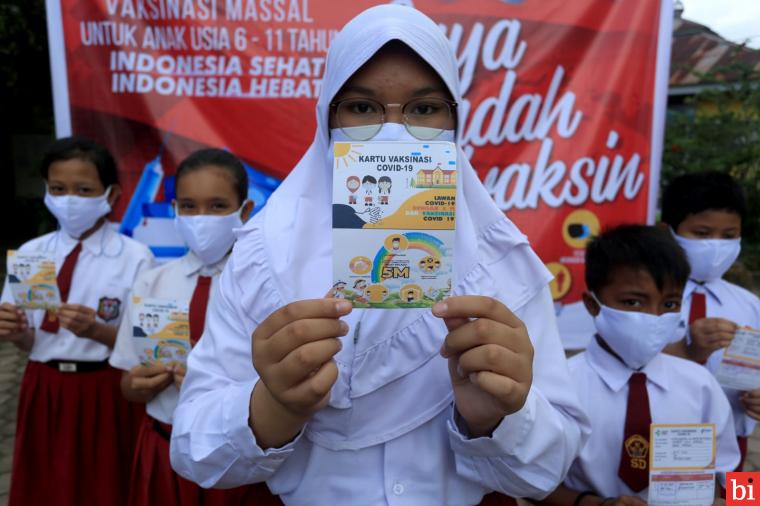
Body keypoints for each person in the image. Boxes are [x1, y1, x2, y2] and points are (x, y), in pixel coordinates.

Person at [170, 5, 588, 505]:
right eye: (363, 109)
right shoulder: (262, 258)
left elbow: (549, 466)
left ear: (456, 119)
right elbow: (194, 449)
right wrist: (271, 406)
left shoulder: (499, 265)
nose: (395, 133)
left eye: (424, 109)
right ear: (328, 117)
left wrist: (498, 417)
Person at [109, 149, 281, 505]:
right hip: (163, 444)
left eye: (218, 206)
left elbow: (279, 381)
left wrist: (213, 384)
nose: (201, 218)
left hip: (237, 456)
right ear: (174, 210)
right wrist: (138, 384)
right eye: (188, 206)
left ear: (245, 211)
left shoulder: (265, 288)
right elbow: (127, 379)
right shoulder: (150, 283)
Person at [0, 136, 155, 506]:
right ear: (47, 192)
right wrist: (16, 332)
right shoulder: (31, 254)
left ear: (111, 195)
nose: (70, 199)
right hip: (44, 385)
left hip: (105, 388)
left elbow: (147, 346)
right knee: (46, 482)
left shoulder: (135, 258)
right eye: (58, 188)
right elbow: (28, 340)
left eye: (84, 189)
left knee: (106, 484)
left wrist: (98, 332)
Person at [538, 225, 739, 505]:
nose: (654, 317)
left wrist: (743, 502)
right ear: (593, 305)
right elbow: (532, 483)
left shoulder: (700, 385)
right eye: (633, 302)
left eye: (669, 304)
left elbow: (734, 474)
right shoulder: (561, 388)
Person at [661, 171, 760, 470]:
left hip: (735, 438)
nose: (716, 246)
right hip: (662, 434)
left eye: (728, 236)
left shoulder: (750, 305)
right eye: (702, 234)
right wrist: (685, 348)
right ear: (669, 232)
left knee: (742, 500)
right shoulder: (650, 299)